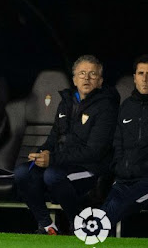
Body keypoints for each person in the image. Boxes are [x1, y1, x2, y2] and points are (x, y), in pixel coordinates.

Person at [14, 55, 119, 234]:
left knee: (52, 175)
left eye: (92, 74)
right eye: (82, 73)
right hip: (62, 163)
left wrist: (52, 159)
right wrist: (41, 152)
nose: (86, 78)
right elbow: (54, 137)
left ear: (100, 81)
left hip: (90, 168)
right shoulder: (66, 102)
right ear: (74, 79)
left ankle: (79, 225)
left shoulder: (106, 107)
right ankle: (47, 225)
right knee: (23, 172)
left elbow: (94, 151)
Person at [101, 54, 148, 227]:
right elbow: (117, 143)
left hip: (145, 181)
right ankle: (88, 242)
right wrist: (119, 167)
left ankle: (87, 236)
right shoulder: (126, 106)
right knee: (104, 210)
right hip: (124, 179)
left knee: (113, 209)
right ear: (134, 78)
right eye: (141, 73)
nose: (145, 79)